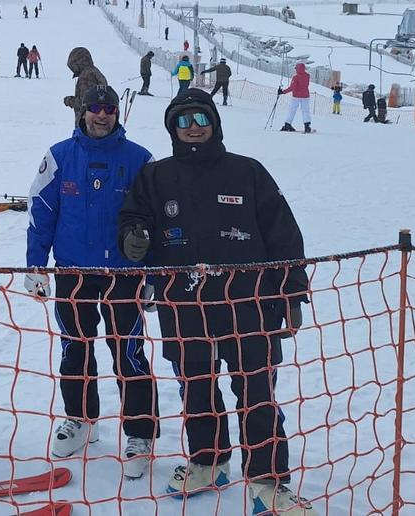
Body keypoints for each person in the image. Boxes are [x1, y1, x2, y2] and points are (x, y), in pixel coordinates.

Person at [118, 90, 312, 513]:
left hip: (250, 306)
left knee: (257, 392)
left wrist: (293, 291)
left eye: (200, 117)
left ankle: (269, 482)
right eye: (183, 119)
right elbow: (134, 218)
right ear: (173, 128)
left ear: (214, 122)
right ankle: (209, 461)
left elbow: (283, 233)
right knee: (196, 389)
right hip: (184, 306)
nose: (193, 126)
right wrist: (134, 237)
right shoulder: (156, 176)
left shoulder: (248, 172)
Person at [26, 85, 158, 474]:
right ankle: (81, 419)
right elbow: (42, 211)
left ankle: (139, 433)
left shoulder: (140, 160)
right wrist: (36, 266)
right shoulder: (60, 156)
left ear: (118, 114)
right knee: (75, 347)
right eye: (95, 109)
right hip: (73, 272)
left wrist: (151, 272)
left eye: (109, 109)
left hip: (124, 274)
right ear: (83, 112)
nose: (102, 115)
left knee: (128, 352)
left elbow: (158, 221)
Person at [64, 47, 108, 120]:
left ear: (79, 63)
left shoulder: (86, 76)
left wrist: (69, 101)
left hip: (87, 122)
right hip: (97, 120)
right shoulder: (94, 71)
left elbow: (86, 102)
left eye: (73, 66)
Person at [277, 63, 312, 132]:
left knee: (292, 110)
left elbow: (292, 88)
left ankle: (287, 124)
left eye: (296, 68)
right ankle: (307, 126)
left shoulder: (296, 77)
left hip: (296, 96)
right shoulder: (307, 76)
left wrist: (282, 92)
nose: (295, 70)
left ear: (298, 69)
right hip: (305, 96)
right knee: (305, 111)